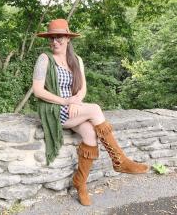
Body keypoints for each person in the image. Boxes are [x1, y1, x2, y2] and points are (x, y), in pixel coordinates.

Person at [32, 19, 149, 206]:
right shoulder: (45, 59)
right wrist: (66, 100)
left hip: (73, 108)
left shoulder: (76, 60)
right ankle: (119, 160)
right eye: (51, 37)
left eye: (59, 37)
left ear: (68, 38)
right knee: (95, 109)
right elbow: (38, 91)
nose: (55, 41)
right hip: (52, 109)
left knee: (89, 133)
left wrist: (76, 100)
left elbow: (82, 89)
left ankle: (80, 183)